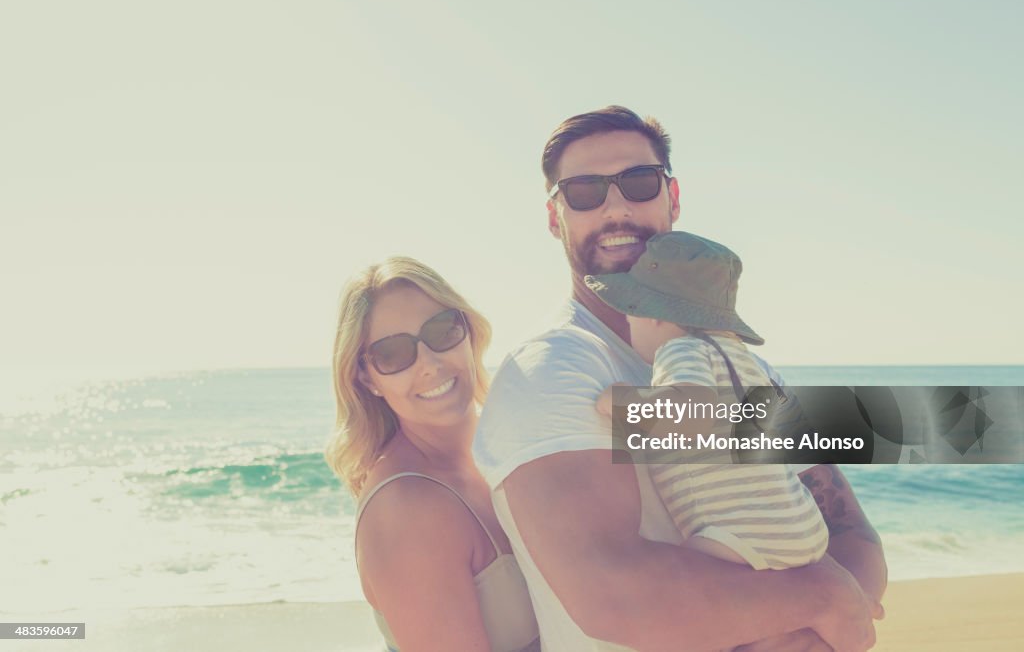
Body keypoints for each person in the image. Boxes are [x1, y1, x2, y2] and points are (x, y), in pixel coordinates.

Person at [473, 106, 887, 651]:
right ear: (555, 218)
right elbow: (614, 597)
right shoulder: (550, 371)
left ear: (672, 197)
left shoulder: (749, 367)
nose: (616, 207)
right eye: (584, 192)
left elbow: (850, 531)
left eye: (639, 183)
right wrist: (826, 602)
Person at [325, 257, 539, 652]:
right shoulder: (406, 509)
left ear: (468, 331)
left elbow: (679, 441)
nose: (429, 364)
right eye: (392, 354)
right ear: (366, 377)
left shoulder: (511, 440)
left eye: (442, 331)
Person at [588, 230, 830, 571]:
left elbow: (690, 414)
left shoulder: (681, 349)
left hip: (741, 535)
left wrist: (617, 400)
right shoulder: (745, 361)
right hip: (803, 522)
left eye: (630, 315)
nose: (628, 325)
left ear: (653, 315)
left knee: (675, 580)